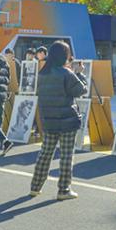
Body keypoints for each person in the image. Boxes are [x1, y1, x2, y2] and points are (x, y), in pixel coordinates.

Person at [30, 41, 87, 200]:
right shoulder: (66, 73)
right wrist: (79, 74)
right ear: (64, 56)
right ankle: (64, 189)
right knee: (66, 156)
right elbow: (81, 90)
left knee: (45, 153)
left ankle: (35, 187)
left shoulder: (43, 73)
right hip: (67, 120)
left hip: (49, 120)